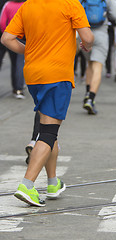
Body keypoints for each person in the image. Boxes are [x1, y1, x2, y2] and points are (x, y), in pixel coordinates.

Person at [1, 0, 94, 206]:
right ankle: (27, 184)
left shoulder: (28, 5)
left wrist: (32, 51)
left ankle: (53, 182)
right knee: (49, 132)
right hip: (57, 75)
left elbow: (7, 38)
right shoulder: (70, 3)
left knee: (48, 128)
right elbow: (88, 37)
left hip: (33, 74)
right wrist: (86, 46)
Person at [82, 0, 116, 115]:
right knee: (97, 66)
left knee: (89, 63)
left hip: (84, 33)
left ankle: (87, 93)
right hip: (101, 33)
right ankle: (91, 98)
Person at [0, 0, 26, 99]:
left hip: (7, 37)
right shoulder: (25, 5)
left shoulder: (8, 4)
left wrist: (6, 32)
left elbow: (2, 22)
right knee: (18, 64)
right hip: (21, 38)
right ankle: (18, 89)